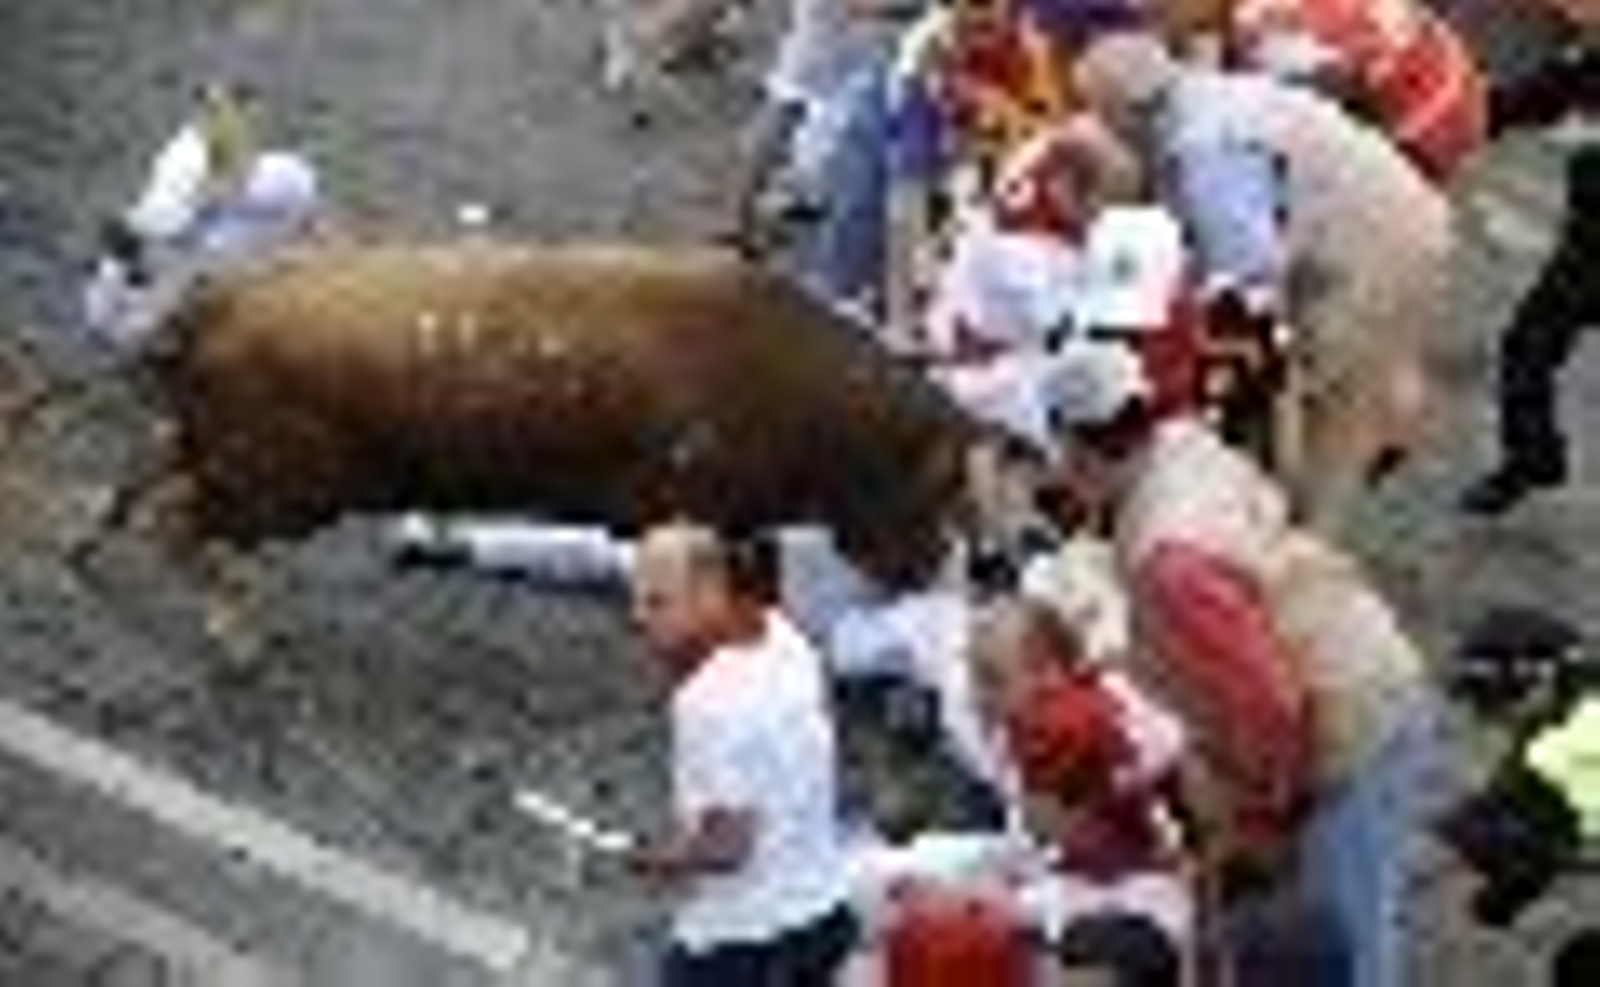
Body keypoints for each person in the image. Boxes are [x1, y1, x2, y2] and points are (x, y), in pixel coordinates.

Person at [1042, 341, 1436, 987]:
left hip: (1350, 719)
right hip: (1352, 658)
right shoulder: (1182, 442)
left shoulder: (1170, 560)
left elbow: (1269, 708)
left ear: (1076, 447)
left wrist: (1265, 819)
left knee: (1344, 940)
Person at [1071, 29, 1452, 533]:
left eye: (1100, 117)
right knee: (1349, 376)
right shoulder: (1201, 93)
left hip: (1371, 245)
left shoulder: (1203, 151)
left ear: (1124, 113)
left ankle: (1296, 535)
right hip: (1389, 211)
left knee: (1326, 405)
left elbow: (1252, 286)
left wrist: (1211, 381)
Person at [625, 521, 859, 986]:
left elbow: (730, 846)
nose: (639, 618)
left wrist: (658, 857)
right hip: (824, 912)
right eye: (637, 600)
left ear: (710, 593)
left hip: (742, 943)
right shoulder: (786, 637)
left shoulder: (705, 700)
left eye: (657, 602)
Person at [968, 594, 1192, 984]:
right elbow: (1037, 835)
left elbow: (1166, 760)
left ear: (1050, 673)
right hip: (1074, 882)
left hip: (1142, 886)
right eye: (978, 680)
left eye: (993, 679)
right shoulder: (1014, 733)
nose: (980, 696)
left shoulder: (1088, 713)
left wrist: (1122, 775)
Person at [1458, 36, 1598, 515]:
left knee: (1528, 349)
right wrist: (1465, 120)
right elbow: (1532, 98)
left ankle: (1532, 458)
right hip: (1587, 252)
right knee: (1528, 349)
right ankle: (1533, 457)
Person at [82, 82, 322, 352]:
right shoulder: (194, 161)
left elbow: (225, 191)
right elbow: (217, 199)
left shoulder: (191, 153)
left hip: (185, 235)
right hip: (183, 245)